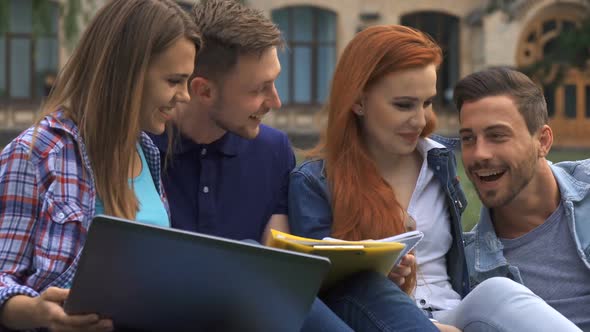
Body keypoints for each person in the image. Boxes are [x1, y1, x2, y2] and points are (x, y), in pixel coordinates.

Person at [152, 1, 439, 331]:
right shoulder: (141, 147)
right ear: (203, 90)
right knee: (249, 259)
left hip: (259, 313)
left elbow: (280, 261)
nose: (276, 102)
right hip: (178, 314)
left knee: (362, 285)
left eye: (274, 82)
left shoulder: (273, 150)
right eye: (260, 89)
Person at [288, 25, 581, 332]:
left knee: (499, 292)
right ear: (359, 102)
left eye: (427, 102)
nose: (420, 120)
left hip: (457, 313)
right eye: (403, 105)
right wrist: (381, 274)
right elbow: (319, 292)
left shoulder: (438, 158)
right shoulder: (314, 181)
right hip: (384, 318)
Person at [0, 1, 200, 331]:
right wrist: (37, 313)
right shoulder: (37, 152)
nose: (185, 96)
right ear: (127, 73)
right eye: (174, 81)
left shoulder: (147, 151)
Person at [455, 67, 590, 331]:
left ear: (543, 141)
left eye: (497, 136)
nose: (479, 153)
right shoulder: (467, 271)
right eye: (468, 139)